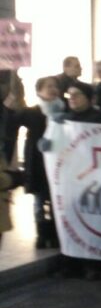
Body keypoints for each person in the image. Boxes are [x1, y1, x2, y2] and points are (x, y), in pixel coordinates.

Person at [5, 77, 62, 248]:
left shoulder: (65, 109)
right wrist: (9, 105)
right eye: (48, 86)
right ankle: (42, 235)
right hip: (38, 163)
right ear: (39, 91)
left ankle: (56, 235)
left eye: (55, 86)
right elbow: (11, 122)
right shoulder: (32, 112)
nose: (53, 89)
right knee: (39, 202)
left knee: (56, 202)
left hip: (60, 163)